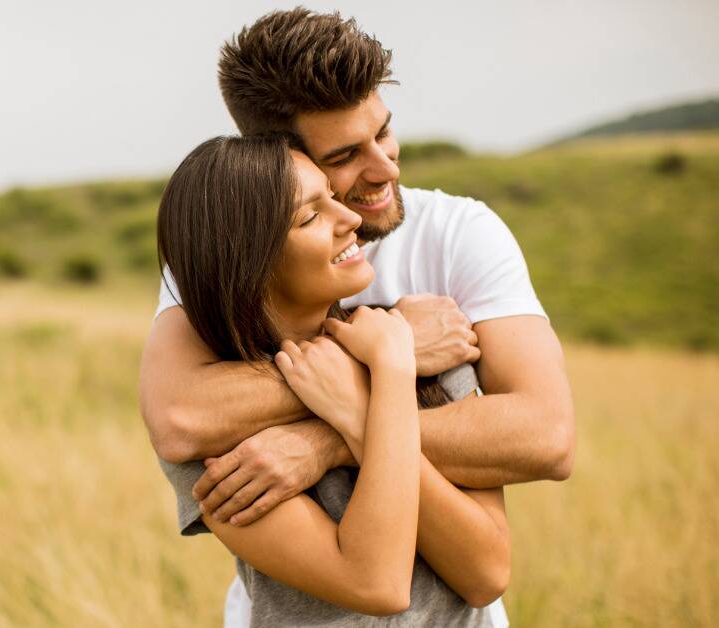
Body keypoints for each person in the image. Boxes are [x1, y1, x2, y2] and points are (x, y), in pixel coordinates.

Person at [139, 8, 574, 626]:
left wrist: (330, 434)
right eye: (346, 154)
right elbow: (181, 419)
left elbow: (547, 439)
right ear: (274, 165)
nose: (387, 167)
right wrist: (389, 354)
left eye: (385, 133)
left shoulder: (458, 234)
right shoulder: (219, 268)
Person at [156, 133, 509, 625]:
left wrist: (361, 410)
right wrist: (385, 376)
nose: (351, 220)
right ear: (249, 265)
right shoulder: (224, 439)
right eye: (310, 216)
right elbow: (376, 582)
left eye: (331, 197)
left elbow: (487, 575)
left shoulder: (417, 346)